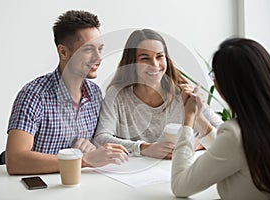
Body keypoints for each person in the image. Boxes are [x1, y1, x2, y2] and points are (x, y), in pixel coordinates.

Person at [5, 10, 128, 175]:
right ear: (63, 52)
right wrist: (83, 160)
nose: (99, 58)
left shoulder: (95, 94)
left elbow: (97, 146)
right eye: (88, 50)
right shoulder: (33, 95)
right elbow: (15, 161)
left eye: (100, 49)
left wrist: (93, 149)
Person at [171, 38, 270, 200]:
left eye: (214, 75)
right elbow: (232, 152)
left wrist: (188, 119)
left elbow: (180, 186)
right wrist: (199, 118)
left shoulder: (236, 134)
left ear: (229, 84)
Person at [94, 29, 222, 159]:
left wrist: (194, 144)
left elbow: (222, 133)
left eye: (159, 56)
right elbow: (101, 138)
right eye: (145, 58)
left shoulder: (182, 92)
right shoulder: (117, 94)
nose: (155, 65)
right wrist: (144, 148)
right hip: (133, 173)